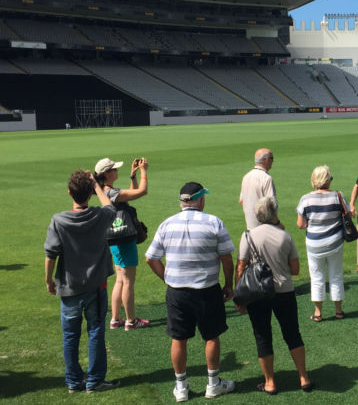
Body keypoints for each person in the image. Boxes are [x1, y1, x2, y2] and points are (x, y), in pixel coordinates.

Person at [145, 182, 236, 402]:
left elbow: (151, 258)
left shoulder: (166, 224)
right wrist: (229, 284)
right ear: (200, 199)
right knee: (211, 336)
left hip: (177, 292)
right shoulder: (214, 222)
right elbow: (226, 258)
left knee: (179, 339)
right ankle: (213, 384)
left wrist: (167, 277)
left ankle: (181, 387)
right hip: (207, 289)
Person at [44, 170, 120, 393]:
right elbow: (111, 208)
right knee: (95, 331)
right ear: (90, 194)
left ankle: (74, 381)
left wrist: (48, 280)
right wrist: (97, 185)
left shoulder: (59, 220)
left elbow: (51, 254)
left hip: (69, 287)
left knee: (70, 336)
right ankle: (95, 381)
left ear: (69, 193)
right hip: (95, 287)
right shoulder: (99, 216)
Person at [235, 196, 313, 394]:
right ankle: (303, 377)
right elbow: (295, 269)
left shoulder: (247, 236)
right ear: (275, 214)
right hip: (283, 291)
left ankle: (270, 382)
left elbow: (241, 267)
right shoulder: (284, 236)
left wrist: (239, 297)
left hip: (257, 293)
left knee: (262, 336)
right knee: (292, 333)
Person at [94, 157, 150, 331]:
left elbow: (130, 195)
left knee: (120, 279)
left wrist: (132, 176)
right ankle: (130, 321)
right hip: (125, 239)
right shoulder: (111, 193)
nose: (117, 171)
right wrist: (144, 171)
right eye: (114, 169)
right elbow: (142, 192)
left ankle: (115, 319)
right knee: (127, 281)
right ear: (107, 173)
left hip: (115, 238)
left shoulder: (107, 191)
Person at [298, 165, 347, 321]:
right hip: (335, 242)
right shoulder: (337, 196)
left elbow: (301, 224)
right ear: (328, 180)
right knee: (336, 275)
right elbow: (348, 213)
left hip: (314, 244)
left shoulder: (306, 198)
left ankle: (318, 312)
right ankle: (338, 311)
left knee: (317, 277)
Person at [240, 148, 281, 230]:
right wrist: (277, 223)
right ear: (266, 160)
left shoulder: (246, 177)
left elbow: (241, 201)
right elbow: (272, 205)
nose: (273, 161)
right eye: (272, 158)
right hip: (265, 227)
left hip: (250, 226)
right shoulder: (266, 178)